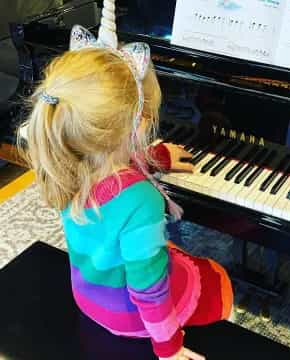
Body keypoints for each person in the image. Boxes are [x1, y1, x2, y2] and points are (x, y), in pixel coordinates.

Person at [18, 1, 234, 359]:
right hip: (130, 316)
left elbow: (115, 170)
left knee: (166, 256)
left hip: (89, 295)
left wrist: (156, 158)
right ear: (141, 124)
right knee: (216, 280)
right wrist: (169, 348)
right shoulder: (141, 202)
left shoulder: (68, 159)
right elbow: (148, 289)